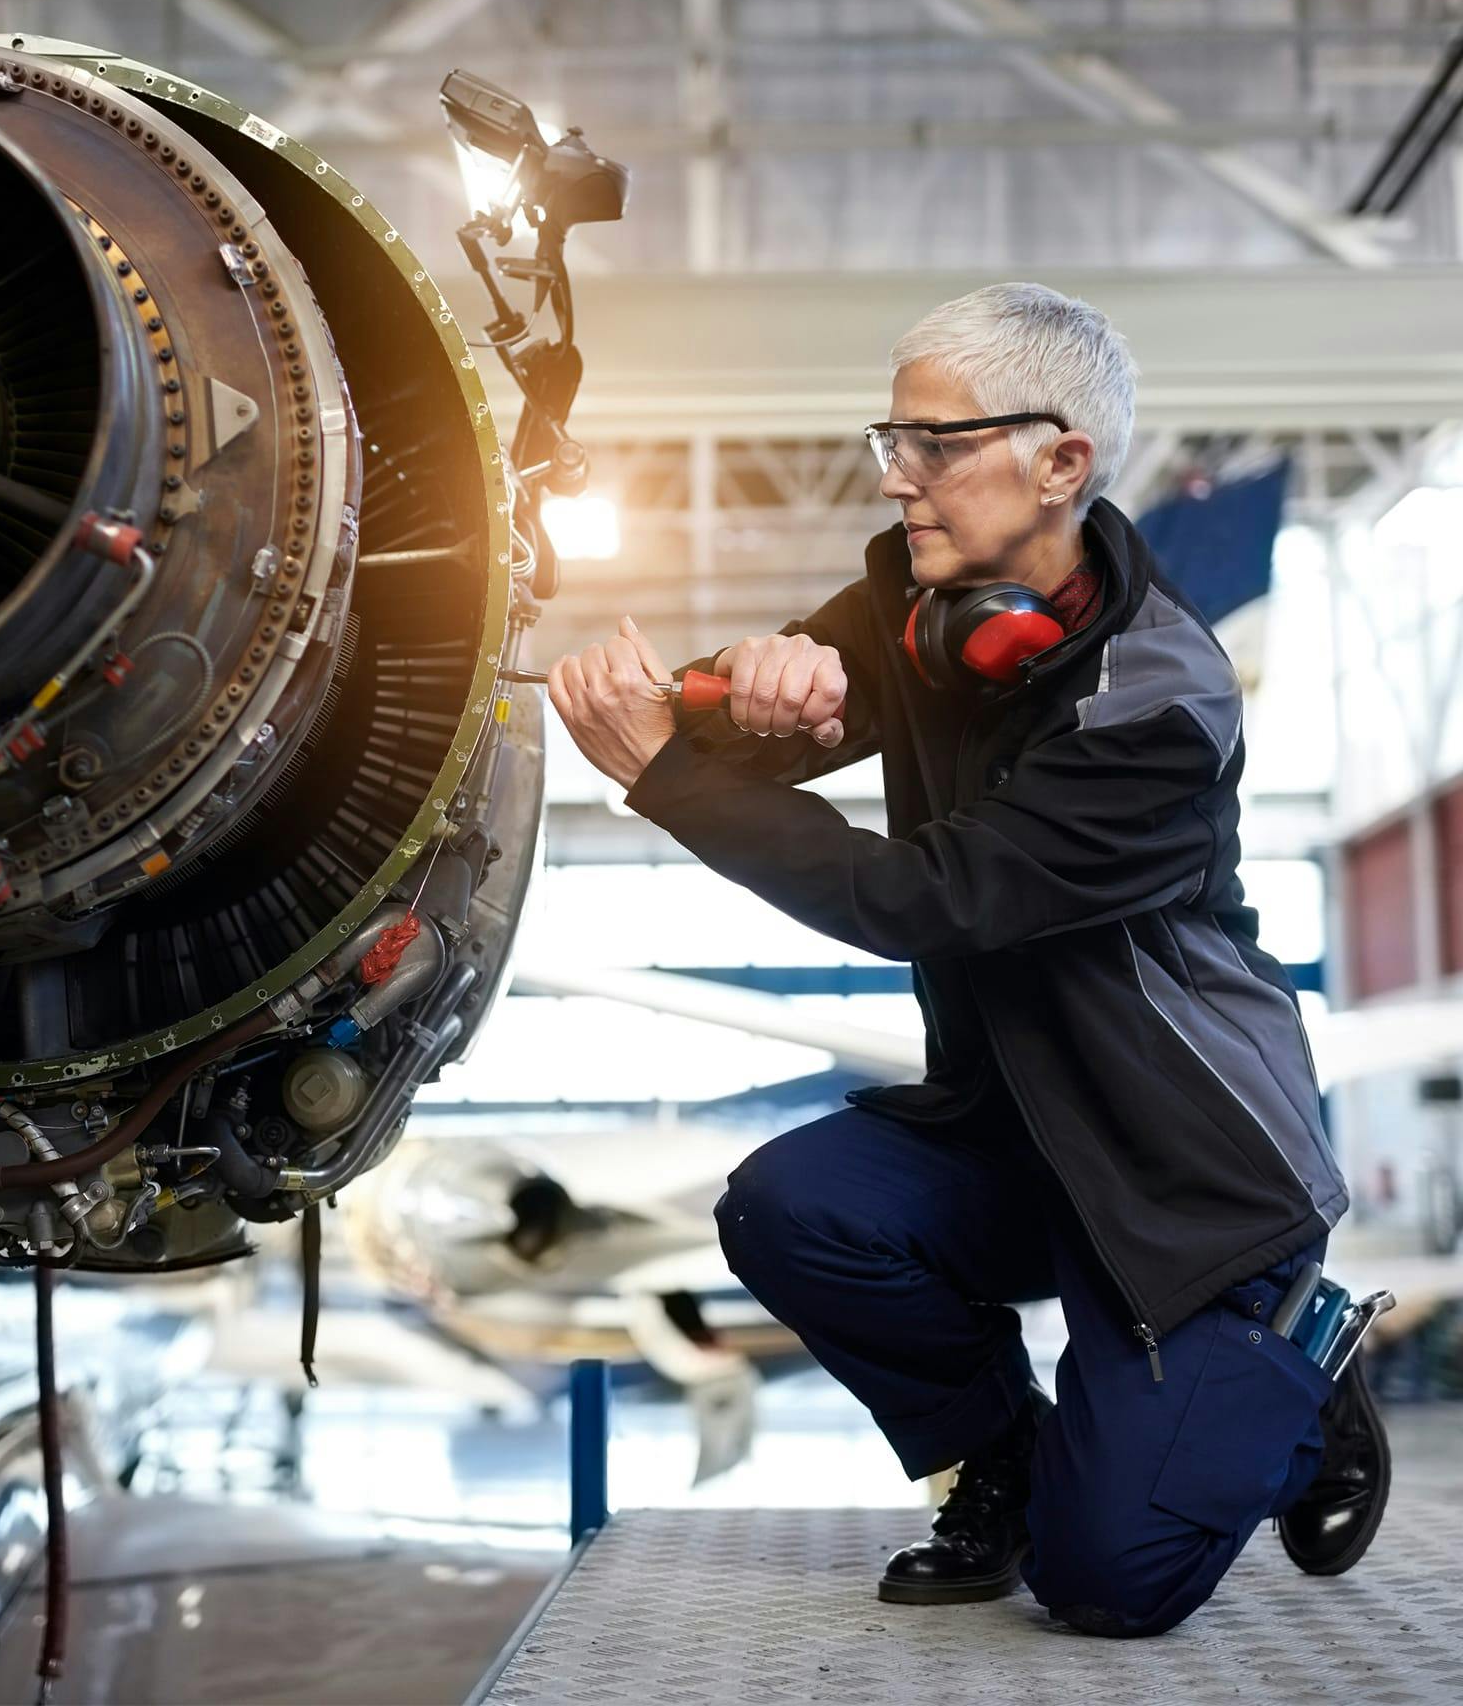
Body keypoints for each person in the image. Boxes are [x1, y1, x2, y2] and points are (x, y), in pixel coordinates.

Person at [541, 282, 1387, 1638]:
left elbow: (926, 899)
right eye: (894, 440)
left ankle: (1295, 1372)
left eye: (936, 444)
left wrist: (668, 776)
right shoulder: (920, 601)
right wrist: (750, 682)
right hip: (1015, 1138)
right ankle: (997, 1459)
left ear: (1061, 461)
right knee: (790, 1203)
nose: (899, 480)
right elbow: (797, 708)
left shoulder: (1158, 703)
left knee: (1108, 1587)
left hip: (1182, 1176)